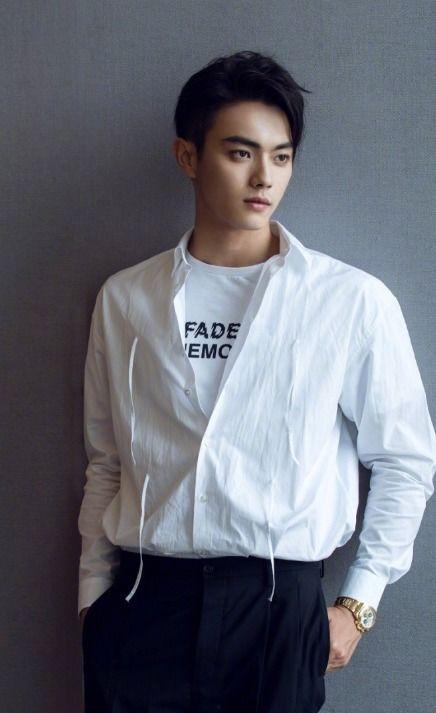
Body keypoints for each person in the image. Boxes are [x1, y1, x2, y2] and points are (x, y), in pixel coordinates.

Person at [77, 50, 436, 713]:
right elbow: (107, 460)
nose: (264, 177)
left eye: (281, 156)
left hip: (277, 609)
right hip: (144, 605)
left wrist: (358, 603)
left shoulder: (350, 301)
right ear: (188, 157)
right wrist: (92, 598)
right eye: (240, 153)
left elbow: (405, 459)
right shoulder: (125, 299)